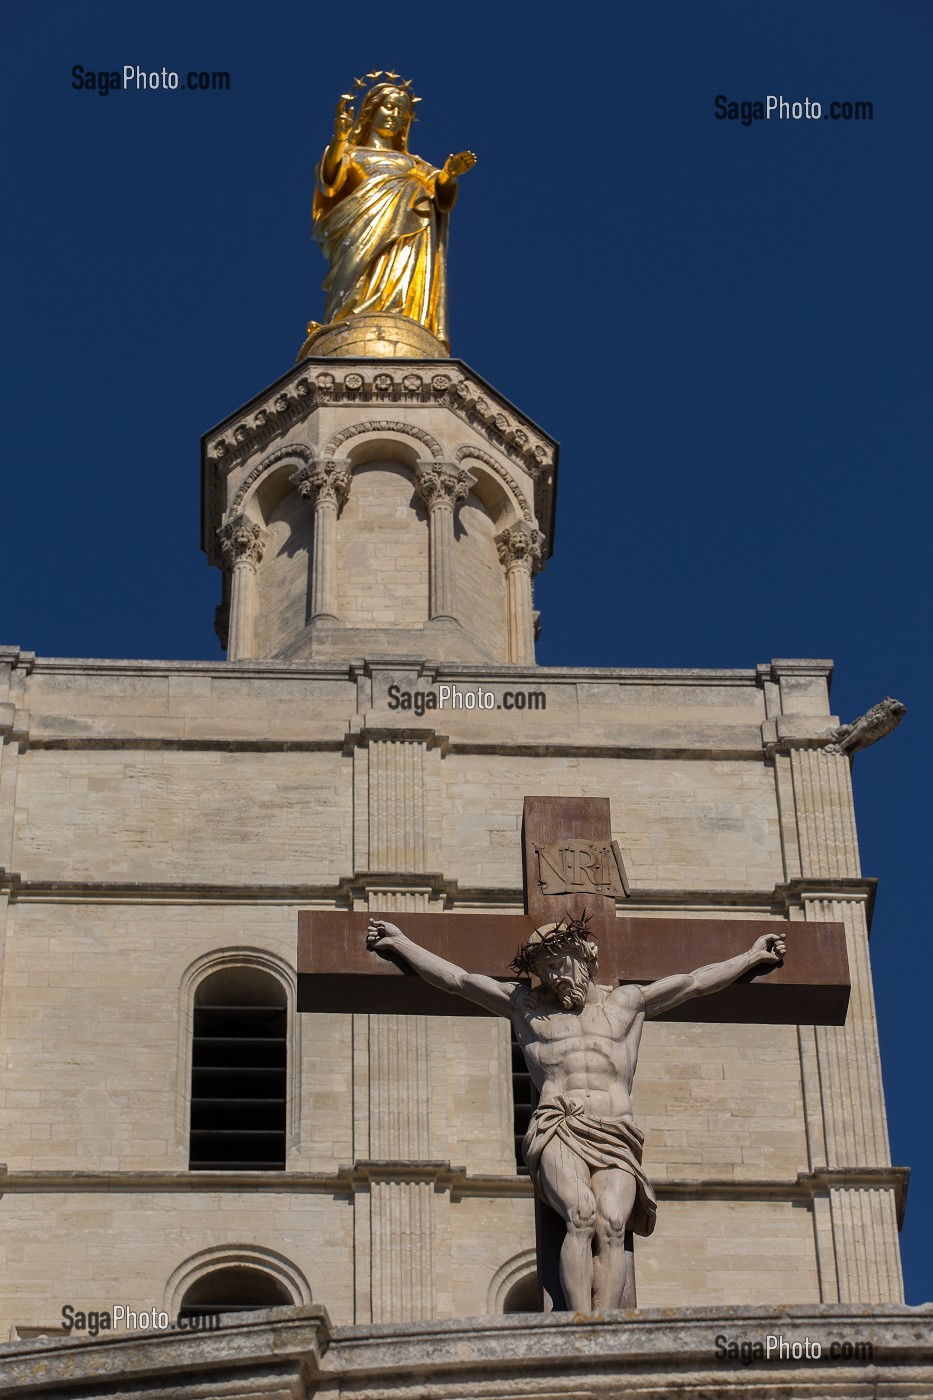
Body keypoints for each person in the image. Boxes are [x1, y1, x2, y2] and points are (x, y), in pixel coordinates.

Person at [365, 913, 786, 1312]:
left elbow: (694, 983)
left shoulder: (627, 1002)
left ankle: (605, 1325)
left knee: (613, 1223)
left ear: (586, 956)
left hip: (614, 1130)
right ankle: (579, 1324)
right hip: (559, 1125)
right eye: (545, 969)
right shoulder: (526, 1006)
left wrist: (750, 956)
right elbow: (458, 980)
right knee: (581, 1213)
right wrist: (402, 944)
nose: (554, 976)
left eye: (559, 964)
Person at [312, 81, 476, 347]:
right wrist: (340, 139)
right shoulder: (352, 154)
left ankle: (403, 317)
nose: (395, 116)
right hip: (363, 229)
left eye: (402, 112)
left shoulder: (416, 164)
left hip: (412, 233)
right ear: (370, 111)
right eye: (389, 107)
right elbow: (329, 182)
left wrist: (449, 173)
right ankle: (350, 319)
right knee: (352, 288)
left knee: (404, 276)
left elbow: (440, 191)